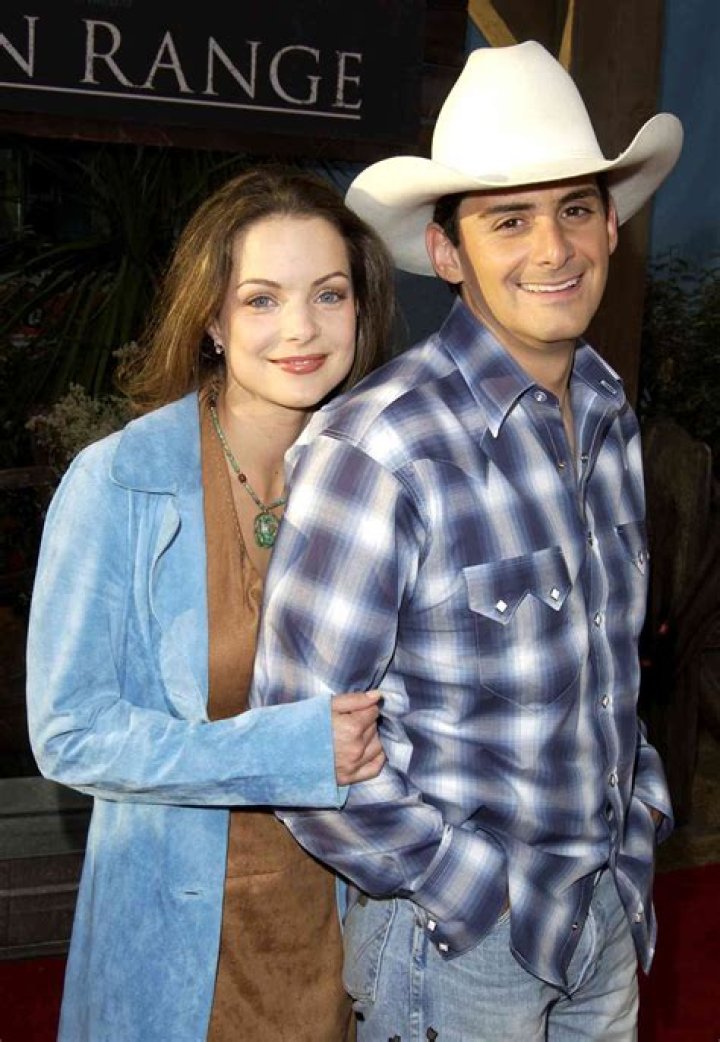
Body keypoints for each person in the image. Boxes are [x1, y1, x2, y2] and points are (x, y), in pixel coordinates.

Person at [250, 42, 684, 1041]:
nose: (554, 249)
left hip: (610, 908)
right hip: (460, 947)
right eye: (509, 220)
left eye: (575, 209)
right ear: (447, 253)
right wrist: (466, 884)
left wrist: (641, 804)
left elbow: (604, 665)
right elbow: (297, 743)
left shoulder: (609, 411)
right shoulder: (380, 445)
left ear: (612, 225)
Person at [26, 166, 395, 1042]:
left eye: (329, 294)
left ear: (361, 309)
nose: (301, 329)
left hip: (341, 929)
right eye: (261, 299)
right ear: (212, 321)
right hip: (177, 937)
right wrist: (287, 749)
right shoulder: (121, 481)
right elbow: (69, 730)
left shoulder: (378, 479)